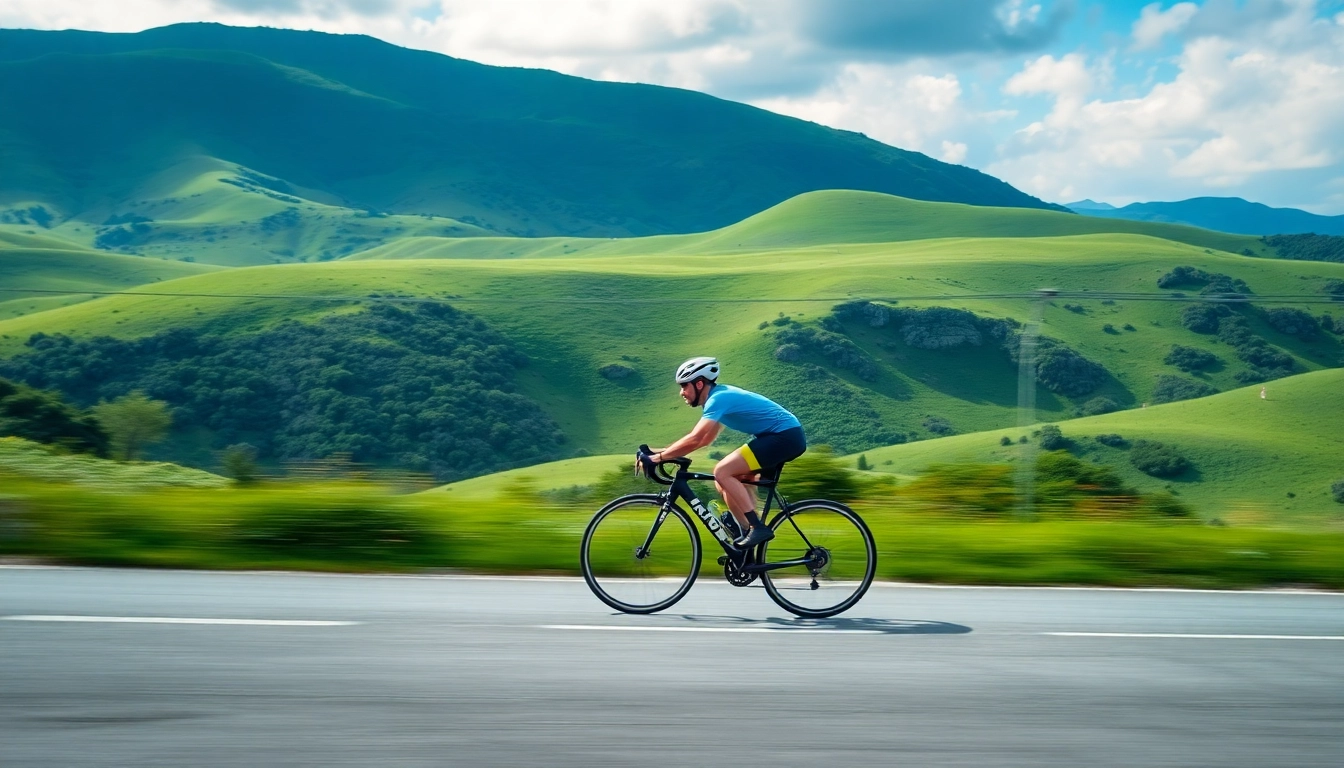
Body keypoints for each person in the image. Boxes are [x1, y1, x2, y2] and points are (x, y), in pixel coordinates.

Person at [639, 356, 807, 548]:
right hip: (778, 436)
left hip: (784, 436)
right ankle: (747, 536)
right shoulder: (717, 399)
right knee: (725, 483)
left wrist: (658, 458)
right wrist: (659, 453)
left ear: (699, 384)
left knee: (722, 471)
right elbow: (705, 440)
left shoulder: (718, 399)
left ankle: (756, 527)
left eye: (684, 386)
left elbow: (695, 438)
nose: (681, 393)